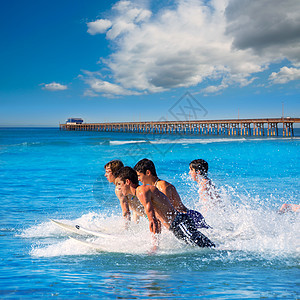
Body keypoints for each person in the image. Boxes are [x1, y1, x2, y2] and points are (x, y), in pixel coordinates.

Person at [115, 166, 215, 250]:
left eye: (119, 184)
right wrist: (156, 245)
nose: (118, 188)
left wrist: (154, 247)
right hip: (177, 226)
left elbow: (152, 221)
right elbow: (157, 221)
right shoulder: (140, 193)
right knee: (205, 247)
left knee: (209, 248)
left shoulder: (142, 191)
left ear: (127, 182)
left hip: (179, 223)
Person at [134, 158, 211, 229]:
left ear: (148, 173)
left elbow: (168, 212)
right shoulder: (154, 187)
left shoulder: (161, 186)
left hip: (190, 217)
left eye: (139, 175)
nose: (138, 179)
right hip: (185, 219)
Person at [104, 160, 146, 227]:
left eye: (108, 172)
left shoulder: (119, 189)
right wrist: (136, 224)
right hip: (150, 214)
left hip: (149, 215)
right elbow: (135, 205)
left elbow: (126, 212)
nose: (105, 175)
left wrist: (126, 231)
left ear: (115, 173)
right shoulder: (129, 184)